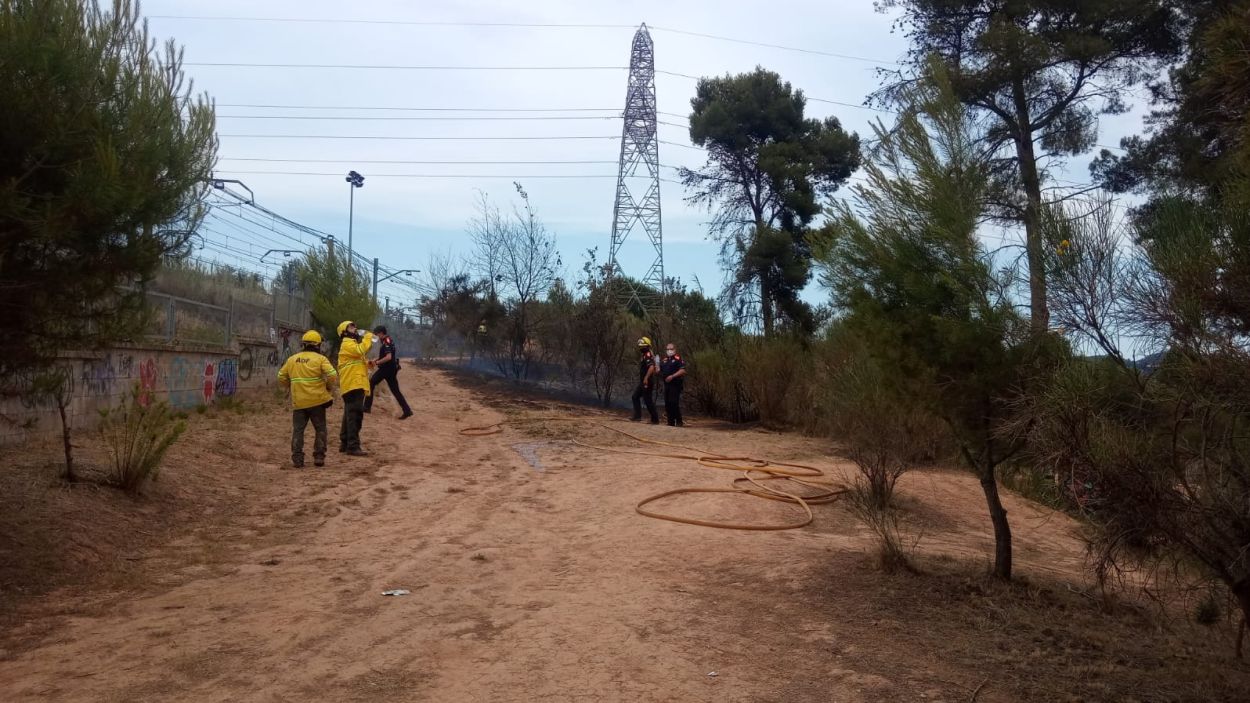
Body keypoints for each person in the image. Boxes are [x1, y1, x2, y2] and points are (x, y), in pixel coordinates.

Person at [277, 330, 337, 468]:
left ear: (303, 344)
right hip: (317, 401)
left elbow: (281, 376)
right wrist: (327, 387)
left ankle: (297, 459)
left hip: (299, 402)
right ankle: (319, 457)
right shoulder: (320, 359)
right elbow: (333, 375)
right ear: (318, 345)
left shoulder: (292, 359)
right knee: (320, 429)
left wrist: (290, 385)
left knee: (298, 430)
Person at [336, 320, 374, 457]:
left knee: (349, 414)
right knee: (355, 415)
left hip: (352, 383)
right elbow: (360, 350)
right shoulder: (347, 343)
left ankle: (345, 442)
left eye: (354, 326)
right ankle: (353, 446)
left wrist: (368, 363)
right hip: (353, 384)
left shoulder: (350, 344)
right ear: (344, 332)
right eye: (351, 326)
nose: (355, 328)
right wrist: (369, 337)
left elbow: (357, 359)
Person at [364, 325, 413, 419]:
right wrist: (375, 360)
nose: (376, 336)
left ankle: (366, 407)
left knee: (371, 382)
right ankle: (407, 410)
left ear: (381, 333)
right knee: (395, 390)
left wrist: (377, 362)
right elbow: (386, 356)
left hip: (387, 369)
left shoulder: (386, 341)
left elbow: (388, 357)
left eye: (376, 334)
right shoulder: (388, 340)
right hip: (390, 369)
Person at [630, 336, 659, 424]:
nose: (641, 348)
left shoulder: (648, 355)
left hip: (647, 381)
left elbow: (651, 367)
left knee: (648, 400)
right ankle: (637, 416)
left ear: (647, 346)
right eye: (640, 346)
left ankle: (655, 419)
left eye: (642, 346)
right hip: (643, 381)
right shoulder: (644, 355)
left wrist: (646, 378)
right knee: (635, 396)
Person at [659, 341, 687, 427]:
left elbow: (683, 370)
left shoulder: (678, 359)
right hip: (666, 385)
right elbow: (659, 371)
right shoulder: (664, 360)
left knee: (674, 403)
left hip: (675, 384)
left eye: (671, 349)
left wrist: (672, 376)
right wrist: (657, 369)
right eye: (667, 349)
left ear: (675, 350)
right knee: (667, 404)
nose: (669, 351)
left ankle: (679, 421)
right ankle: (670, 422)